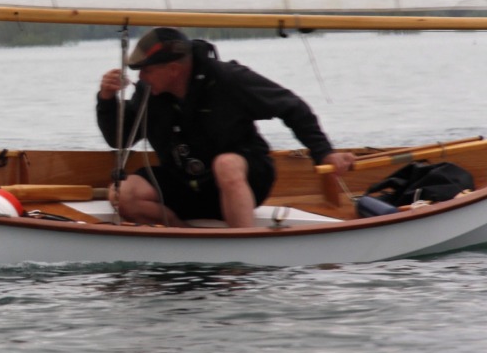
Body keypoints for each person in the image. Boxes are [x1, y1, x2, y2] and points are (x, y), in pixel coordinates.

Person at [96, 27, 355, 227]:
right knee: (123, 193)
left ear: (173, 69)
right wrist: (106, 100)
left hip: (244, 179)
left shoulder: (228, 79)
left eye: (146, 71)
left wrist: (323, 153)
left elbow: (292, 107)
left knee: (226, 164)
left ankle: (242, 253)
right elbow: (119, 139)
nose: (140, 78)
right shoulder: (148, 93)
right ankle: (185, 239)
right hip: (186, 183)